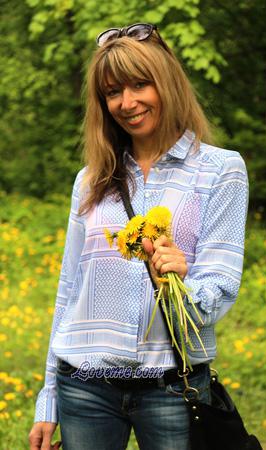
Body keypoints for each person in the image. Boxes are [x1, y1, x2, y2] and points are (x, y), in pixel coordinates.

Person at [29, 23, 249, 450]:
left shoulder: (221, 170)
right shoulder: (91, 179)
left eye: (139, 85)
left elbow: (220, 290)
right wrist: (49, 398)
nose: (126, 103)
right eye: (113, 92)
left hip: (171, 388)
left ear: (166, 82)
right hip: (85, 386)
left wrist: (181, 281)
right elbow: (69, 289)